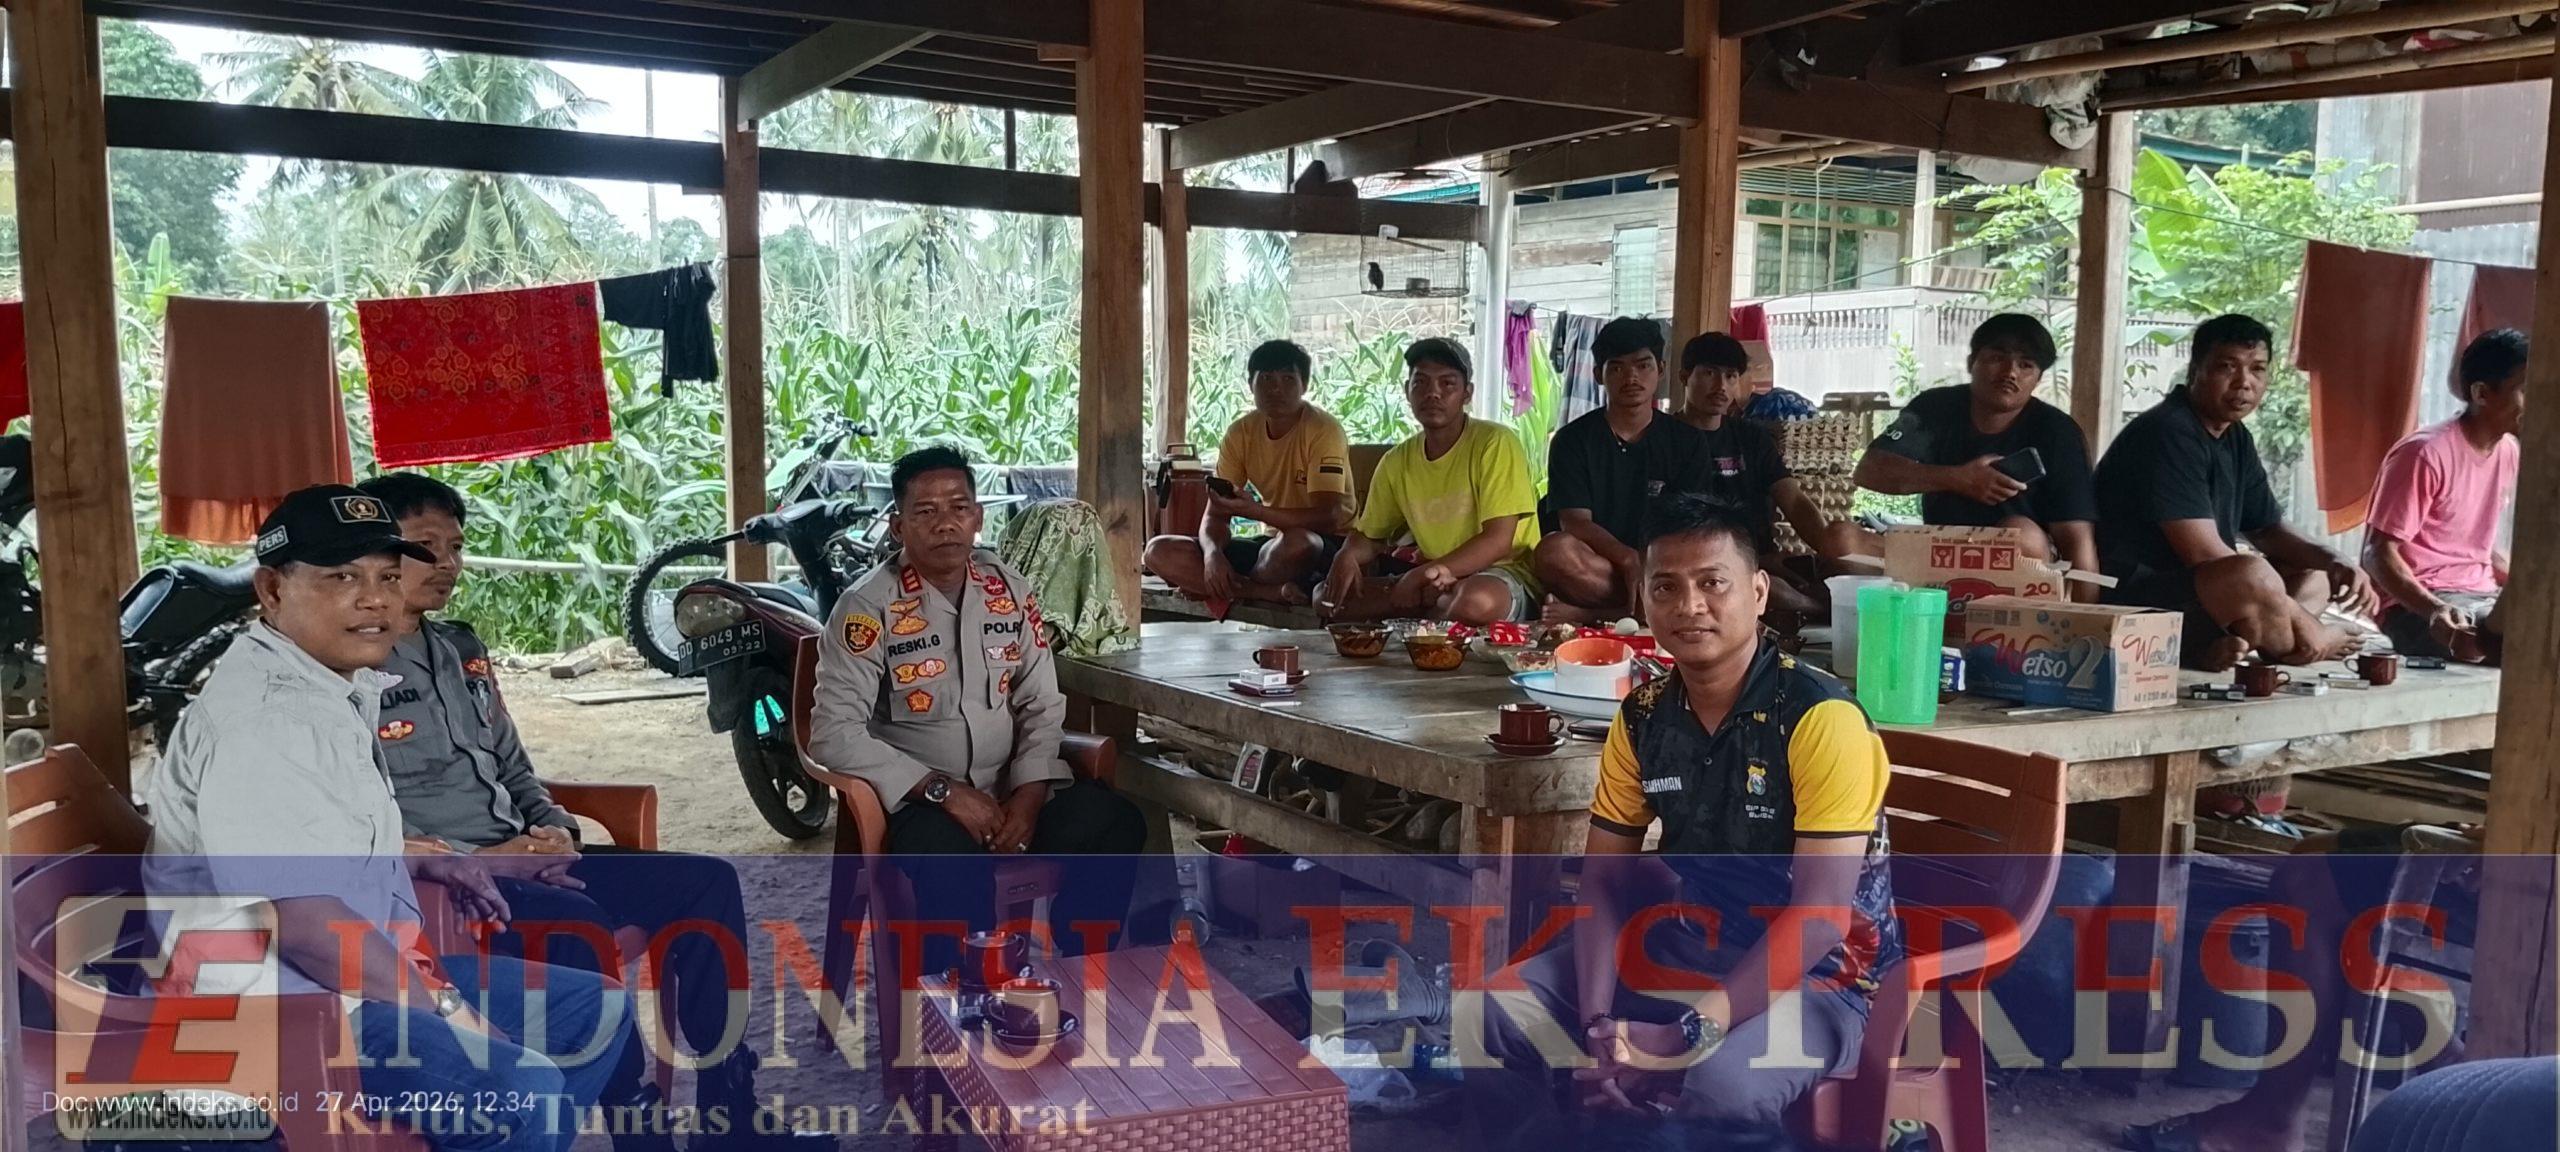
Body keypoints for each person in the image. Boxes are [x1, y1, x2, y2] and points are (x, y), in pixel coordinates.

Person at [143, 484, 629, 1152]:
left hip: (343, 976)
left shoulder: (323, 685)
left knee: (595, 1011)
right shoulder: (266, 722)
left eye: (388, 577)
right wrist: (450, 1011)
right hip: (279, 1005)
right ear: (273, 589)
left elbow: (304, 840)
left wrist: (418, 856)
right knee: (521, 1090)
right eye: (342, 577)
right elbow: (303, 924)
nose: (375, 599)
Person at [355, 472, 827, 1152]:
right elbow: (364, 821)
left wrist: (556, 828)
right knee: (579, 926)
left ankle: (731, 1109)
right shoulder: (353, 673)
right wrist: (482, 860)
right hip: (453, 886)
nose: (449, 563)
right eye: (426, 546)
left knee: (708, 883)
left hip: (530, 856)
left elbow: (512, 763)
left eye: (456, 547)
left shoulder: (460, 647)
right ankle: (639, 1127)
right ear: (376, 554)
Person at [1476, 495, 1901, 1126]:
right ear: (1644, 600)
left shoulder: (1819, 717)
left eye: (1713, 583)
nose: (1690, 605)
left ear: (1759, 592)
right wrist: (1598, 1027)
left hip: (1824, 978)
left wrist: (1681, 1037)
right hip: (1690, 940)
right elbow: (1604, 881)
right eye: (1666, 587)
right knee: (1495, 1011)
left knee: (1721, 1085)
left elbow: (1819, 920)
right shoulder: (1643, 716)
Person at [808, 446, 1148, 973]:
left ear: (978, 518)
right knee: (951, 870)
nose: (945, 523)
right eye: (926, 511)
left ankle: (1082, 976)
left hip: (1010, 791)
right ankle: (960, 1007)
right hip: (918, 805)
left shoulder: (1008, 591)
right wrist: (943, 793)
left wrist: (1030, 794)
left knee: (1115, 823)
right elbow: (832, 733)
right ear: (898, 527)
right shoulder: (867, 607)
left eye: (959, 507)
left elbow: (1041, 703)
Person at [2094, 314, 2380, 669]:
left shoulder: (2234, 435)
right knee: (2250, 575)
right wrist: (2315, 625)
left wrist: (2336, 560)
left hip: (2205, 596)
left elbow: (2266, 529)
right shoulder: (2168, 431)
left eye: (2257, 369)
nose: (2244, 383)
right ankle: (2302, 643)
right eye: (2227, 367)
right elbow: (2203, 554)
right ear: (2195, 370)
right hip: (2137, 596)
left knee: (2313, 574)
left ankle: (2235, 641)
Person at [1851, 313, 2100, 587]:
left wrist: (2086, 611)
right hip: (1939, 554)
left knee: (2019, 534)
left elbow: (2077, 539)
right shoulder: (1935, 407)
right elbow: (1868, 471)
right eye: (1997, 358)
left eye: (2025, 365)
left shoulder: (2058, 431)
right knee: (1842, 538)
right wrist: (1959, 479)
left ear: (2038, 378)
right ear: (1972, 362)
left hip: (2020, 571)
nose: (2010, 373)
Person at [1321, 337, 1543, 626]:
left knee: (1475, 602)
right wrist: (1347, 555)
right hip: (1433, 579)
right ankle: (1434, 613)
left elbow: (1498, 541)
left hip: (1500, 574)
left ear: (1467, 393)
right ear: (1407, 390)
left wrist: (1419, 576)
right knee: (1325, 597)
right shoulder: (1396, 460)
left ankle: (1426, 614)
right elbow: (1370, 536)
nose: (1433, 393)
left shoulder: (1495, 442)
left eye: (1447, 383)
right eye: (1421, 383)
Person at [1142, 339, 1356, 605]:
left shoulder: (1323, 430)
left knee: (1300, 542)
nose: (1276, 388)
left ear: (1305, 385)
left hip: (1327, 547)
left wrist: (1255, 511)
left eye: (1288, 379)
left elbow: (1329, 518)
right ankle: (1264, 592)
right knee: (1158, 550)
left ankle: (1223, 588)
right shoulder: (1240, 433)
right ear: (1250, 384)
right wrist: (1212, 556)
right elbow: (1215, 515)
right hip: (1271, 547)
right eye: (1266, 379)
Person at [2362, 328, 2524, 663]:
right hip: (2419, 605)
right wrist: (2435, 609)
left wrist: (2528, 585)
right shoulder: (2425, 453)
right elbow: (2377, 554)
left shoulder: (2508, 449)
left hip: (2480, 597)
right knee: (2517, 641)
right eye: (2525, 390)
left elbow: (2473, 548)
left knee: (2539, 625)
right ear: (2481, 393)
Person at [1671, 330, 1855, 603]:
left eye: (1731, 376)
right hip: (1702, 563)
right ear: (1685, 377)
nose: (1721, 386)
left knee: (1848, 574)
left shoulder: (1751, 437)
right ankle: (1816, 609)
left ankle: (1823, 604)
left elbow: (1794, 500)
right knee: (1778, 592)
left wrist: (1825, 545)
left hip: (1763, 558)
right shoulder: (1664, 437)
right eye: (1710, 373)